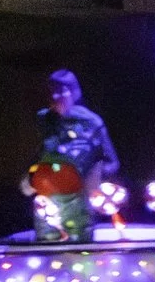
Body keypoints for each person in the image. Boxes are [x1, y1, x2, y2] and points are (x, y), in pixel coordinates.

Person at [28, 69, 119, 243]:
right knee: (48, 252)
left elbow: (112, 162)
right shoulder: (43, 121)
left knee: (80, 252)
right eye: (52, 91)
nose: (56, 97)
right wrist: (32, 177)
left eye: (61, 91)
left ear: (74, 92)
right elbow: (36, 158)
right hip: (48, 204)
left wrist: (93, 175)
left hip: (79, 202)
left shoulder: (92, 122)